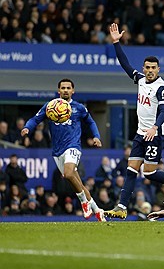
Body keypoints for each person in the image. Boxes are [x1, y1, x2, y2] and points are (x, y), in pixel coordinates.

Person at [104, 23, 164, 220]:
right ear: (144, 68)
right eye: (147, 68)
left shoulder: (162, 87)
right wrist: (116, 43)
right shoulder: (140, 80)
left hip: (156, 135)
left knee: (148, 173)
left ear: (158, 69)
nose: (149, 71)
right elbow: (125, 65)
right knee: (131, 169)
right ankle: (122, 207)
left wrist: (154, 127)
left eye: (153, 68)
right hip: (141, 133)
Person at [21, 78, 106, 221]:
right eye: (63, 88)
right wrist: (27, 127)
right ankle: (97, 210)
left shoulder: (78, 108)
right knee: (76, 181)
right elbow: (35, 119)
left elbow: (90, 121)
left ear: (73, 91)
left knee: (68, 173)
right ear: (58, 90)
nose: (66, 90)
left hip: (73, 146)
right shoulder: (50, 107)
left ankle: (84, 202)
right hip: (57, 150)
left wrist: (96, 136)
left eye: (68, 88)